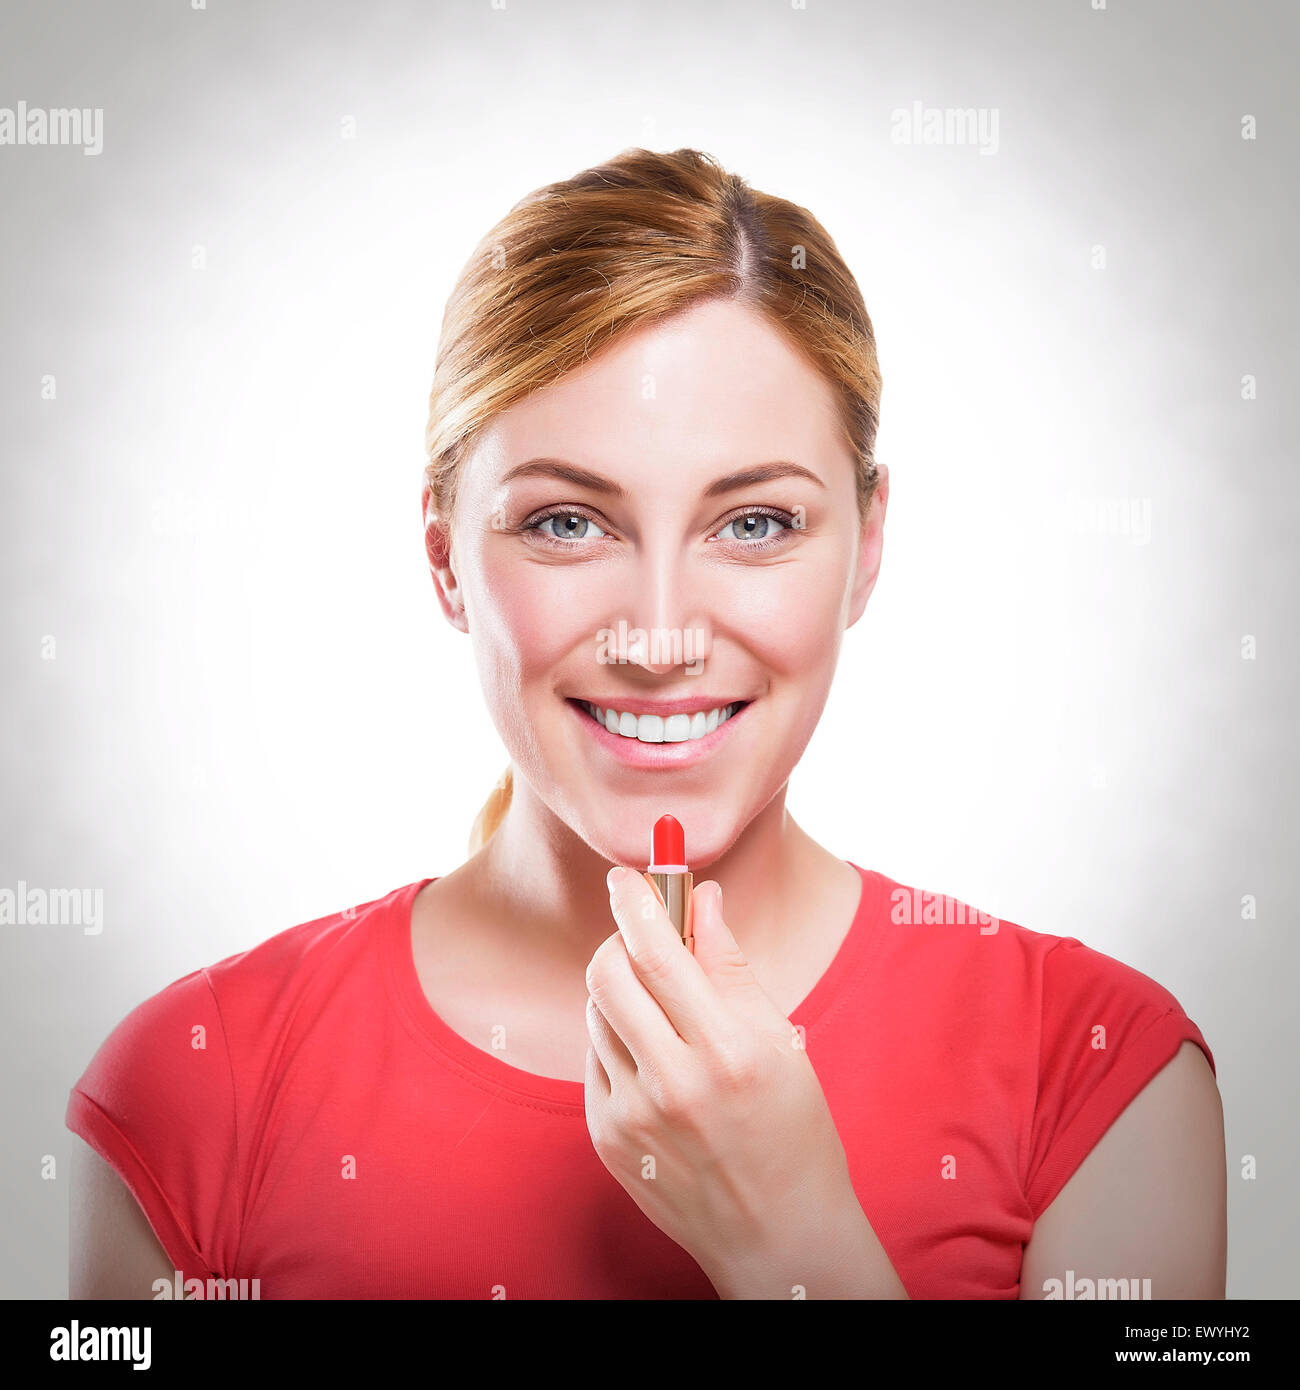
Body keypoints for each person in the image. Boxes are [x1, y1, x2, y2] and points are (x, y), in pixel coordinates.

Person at [67, 147, 1226, 1300]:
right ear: (444, 558)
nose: (661, 636)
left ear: (867, 547)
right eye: (568, 523)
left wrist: (793, 1244)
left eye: (758, 523)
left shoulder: (1096, 1076)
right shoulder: (191, 1086)